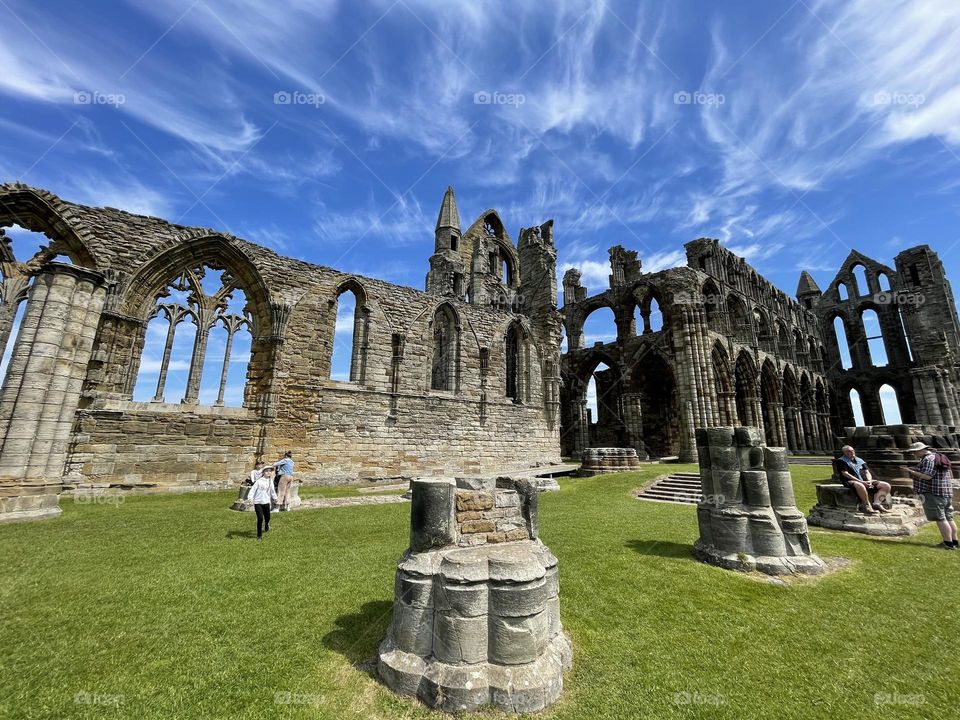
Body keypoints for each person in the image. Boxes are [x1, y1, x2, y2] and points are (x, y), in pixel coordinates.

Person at [900, 442, 958, 550]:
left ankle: (948, 543)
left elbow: (927, 476)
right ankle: (954, 541)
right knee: (948, 517)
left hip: (933, 493)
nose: (913, 454)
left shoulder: (928, 459)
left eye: (914, 452)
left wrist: (910, 471)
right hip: (945, 492)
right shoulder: (939, 457)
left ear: (920, 450)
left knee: (940, 518)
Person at [835, 445, 892, 514]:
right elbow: (845, 473)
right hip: (850, 481)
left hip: (865, 480)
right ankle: (867, 505)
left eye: (852, 450)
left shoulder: (859, 460)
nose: (852, 452)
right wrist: (861, 481)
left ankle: (877, 503)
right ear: (845, 453)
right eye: (849, 451)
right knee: (860, 485)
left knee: (886, 485)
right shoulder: (841, 461)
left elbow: (867, 472)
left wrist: (869, 481)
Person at [248, 466, 277, 540]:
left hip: (266, 502)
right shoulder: (259, 481)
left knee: (267, 517)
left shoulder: (270, 481)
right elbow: (252, 490)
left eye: (270, 471)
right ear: (263, 472)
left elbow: (272, 491)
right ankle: (259, 535)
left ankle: (267, 524)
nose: (268, 472)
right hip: (258, 502)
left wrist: (275, 498)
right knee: (260, 518)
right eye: (266, 471)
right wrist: (250, 498)